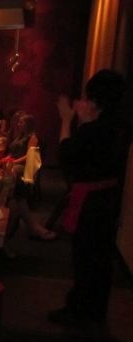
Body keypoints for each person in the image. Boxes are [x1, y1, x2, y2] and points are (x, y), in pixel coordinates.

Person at [49, 69, 132, 328]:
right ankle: (93, 313)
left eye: (87, 98)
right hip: (109, 199)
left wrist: (67, 120)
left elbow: (67, 159)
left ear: (96, 101)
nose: (82, 102)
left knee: (85, 257)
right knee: (100, 259)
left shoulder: (95, 130)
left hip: (91, 203)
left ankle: (81, 313)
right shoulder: (119, 127)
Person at [3, 112, 56, 241]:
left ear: (29, 124)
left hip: (25, 166)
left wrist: (13, 161)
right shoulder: (20, 136)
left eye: (22, 122)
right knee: (7, 176)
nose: (19, 124)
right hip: (14, 163)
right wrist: (7, 158)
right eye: (19, 122)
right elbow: (12, 151)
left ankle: (8, 201)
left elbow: (30, 156)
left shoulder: (32, 137)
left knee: (10, 174)